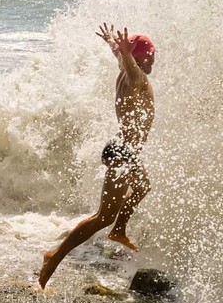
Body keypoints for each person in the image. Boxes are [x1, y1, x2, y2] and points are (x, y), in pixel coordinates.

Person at [39, 23, 156, 289]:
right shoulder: (135, 77)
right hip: (123, 154)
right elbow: (130, 66)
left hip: (128, 154)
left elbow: (122, 59)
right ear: (138, 59)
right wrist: (126, 53)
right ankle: (53, 257)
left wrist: (114, 44)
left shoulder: (126, 69)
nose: (153, 59)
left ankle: (119, 230)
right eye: (150, 55)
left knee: (142, 187)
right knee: (102, 216)